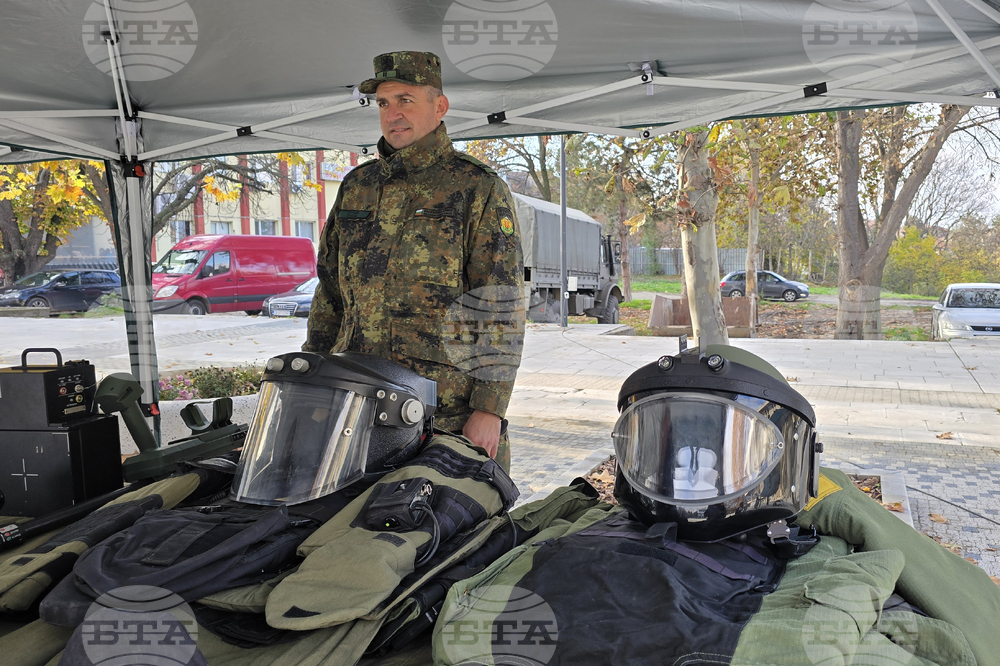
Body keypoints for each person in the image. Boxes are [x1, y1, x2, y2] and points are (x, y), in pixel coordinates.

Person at [304, 51, 524, 470]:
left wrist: (489, 410)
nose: (393, 114)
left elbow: (498, 302)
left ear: (439, 106)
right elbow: (330, 294)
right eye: (384, 103)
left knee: (445, 529)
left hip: (442, 412)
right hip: (356, 405)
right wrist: (313, 377)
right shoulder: (357, 187)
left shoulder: (476, 187)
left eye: (405, 99)